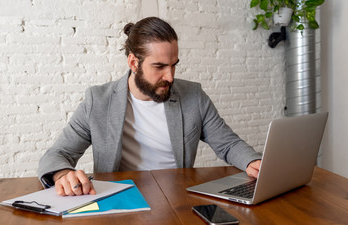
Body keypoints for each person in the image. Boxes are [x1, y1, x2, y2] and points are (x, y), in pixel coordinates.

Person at [38, 17, 262, 196]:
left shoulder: (193, 96)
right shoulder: (98, 101)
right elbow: (59, 153)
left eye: (174, 65)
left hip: (178, 198)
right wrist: (63, 174)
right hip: (119, 199)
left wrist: (253, 161)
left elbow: (228, 144)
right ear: (134, 63)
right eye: (160, 66)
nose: (170, 76)